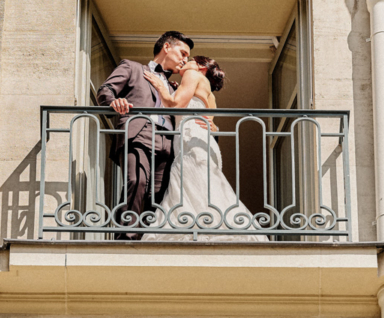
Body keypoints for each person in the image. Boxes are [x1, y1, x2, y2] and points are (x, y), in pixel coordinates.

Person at [143, 55, 267, 242]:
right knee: (202, 184)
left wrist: (161, 88)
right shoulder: (208, 91)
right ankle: (213, 229)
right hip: (203, 141)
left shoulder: (192, 74)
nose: (185, 62)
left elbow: (176, 106)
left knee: (191, 183)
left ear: (200, 66)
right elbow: (211, 123)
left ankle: (199, 231)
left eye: (190, 59)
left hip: (191, 139)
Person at [95, 30, 192, 239]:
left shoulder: (175, 86)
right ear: (167, 47)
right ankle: (125, 240)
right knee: (137, 181)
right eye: (183, 53)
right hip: (139, 132)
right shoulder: (132, 67)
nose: (185, 60)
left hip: (168, 141)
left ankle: (145, 240)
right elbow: (105, 90)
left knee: (158, 194)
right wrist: (114, 102)